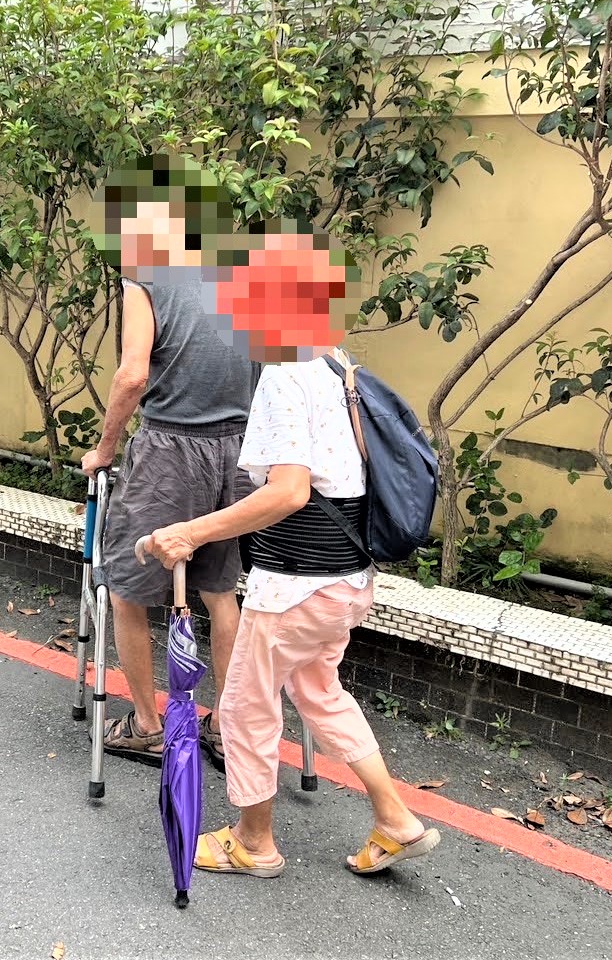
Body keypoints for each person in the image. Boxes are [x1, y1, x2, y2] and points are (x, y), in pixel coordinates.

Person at [141, 343, 441, 879]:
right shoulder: (338, 365)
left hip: (294, 588)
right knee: (320, 692)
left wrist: (190, 532)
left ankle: (253, 842)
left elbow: (288, 493)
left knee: (244, 707)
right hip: (346, 582)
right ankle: (396, 820)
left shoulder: (285, 377)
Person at [81, 155, 259, 771]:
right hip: (239, 452)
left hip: (169, 451)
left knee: (127, 589)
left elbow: (133, 375)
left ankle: (148, 725)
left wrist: (105, 449)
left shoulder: (146, 276)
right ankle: (226, 727)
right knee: (220, 592)